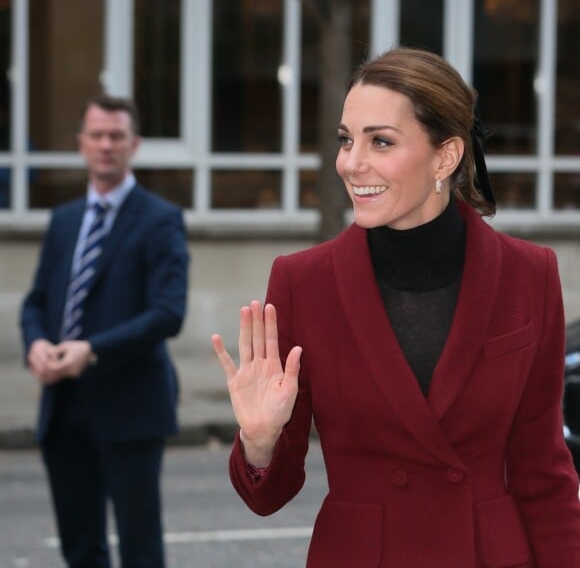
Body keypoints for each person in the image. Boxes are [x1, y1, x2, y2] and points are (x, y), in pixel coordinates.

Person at [211, 47, 580, 567]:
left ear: (445, 156)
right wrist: (259, 440)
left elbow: (544, 472)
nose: (350, 163)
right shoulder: (301, 283)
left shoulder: (530, 275)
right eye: (345, 140)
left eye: (379, 141)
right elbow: (267, 497)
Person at [20, 95, 189, 567]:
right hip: (64, 405)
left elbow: (167, 313)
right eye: (97, 135)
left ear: (134, 145)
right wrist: (35, 343)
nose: (106, 145)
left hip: (131, 406)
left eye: (116, 136)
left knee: (139, 547)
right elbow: (37, 300)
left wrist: (91, 350)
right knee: (80, 546)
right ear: (81, 144)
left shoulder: (161, 219)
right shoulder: (64, 220)